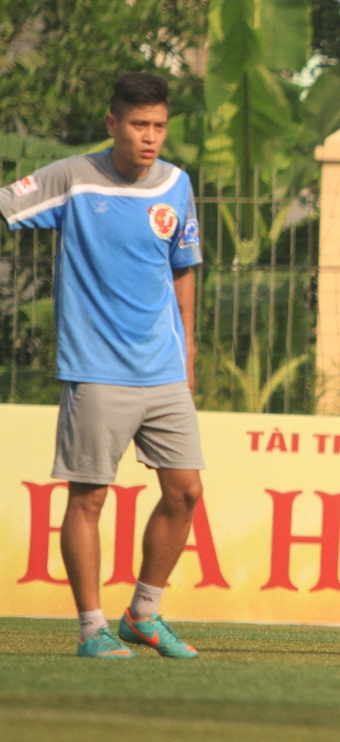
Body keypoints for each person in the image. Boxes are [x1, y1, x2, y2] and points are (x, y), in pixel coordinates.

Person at [0, 72, 204, 659]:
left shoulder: (177, 185)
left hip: (163, 371)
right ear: (113, 123)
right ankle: (93, 629)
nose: (150, 138)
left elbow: (184, 269)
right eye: (138, 125)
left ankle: (144, 613)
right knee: (90, 498)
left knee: (186, 492)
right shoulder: (71, 178)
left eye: (159, 126)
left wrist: (188, 352)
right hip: (96, 369)